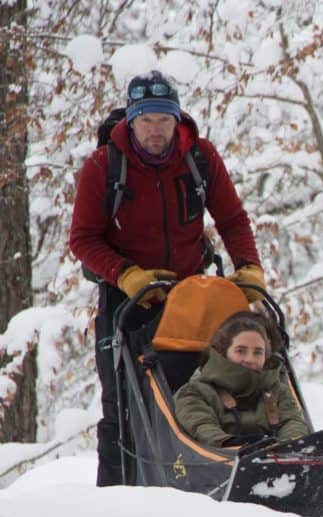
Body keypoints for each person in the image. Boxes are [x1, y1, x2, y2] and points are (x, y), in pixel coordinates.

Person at [68, 70, 266, 485]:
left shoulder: (200, 158)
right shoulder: (105, 166)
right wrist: (128, 276)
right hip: (127, 299)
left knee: (218, 381)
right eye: (146, 121)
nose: (155, 130)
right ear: (131, 121)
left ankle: (235, 458)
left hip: (193, 294)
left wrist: (248, 267)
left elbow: (232, 218)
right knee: (120, 403)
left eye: (163, 120)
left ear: (177, 121)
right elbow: (83, 239)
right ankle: (117, 495)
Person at [174, 312, 307, 450]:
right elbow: (201, 426)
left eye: (258, 352)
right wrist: (233, 445)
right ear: (223, 352)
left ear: (266, 357)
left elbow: (292, 422)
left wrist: (288, 446)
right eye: (241, 351)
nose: (249, 359)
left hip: (274, 461)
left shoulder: (278, 391)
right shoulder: (195, 392)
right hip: (217, 463)